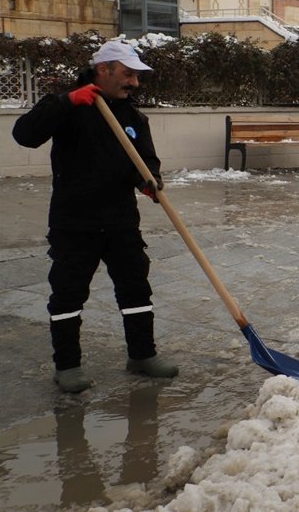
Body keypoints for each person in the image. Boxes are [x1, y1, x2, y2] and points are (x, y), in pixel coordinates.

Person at [12, 40, 178, 393]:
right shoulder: (68, 105)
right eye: (128, 74)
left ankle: (142, 355)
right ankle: (68, 366)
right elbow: (24, 135)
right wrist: (65, 102)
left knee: (135, 288)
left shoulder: (133, 117)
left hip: (120, 221)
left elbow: (145, 160)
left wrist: (150, 180)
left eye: (136, 75)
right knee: (68, 294)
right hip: (75, 222)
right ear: (103, 70)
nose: (134, 82)